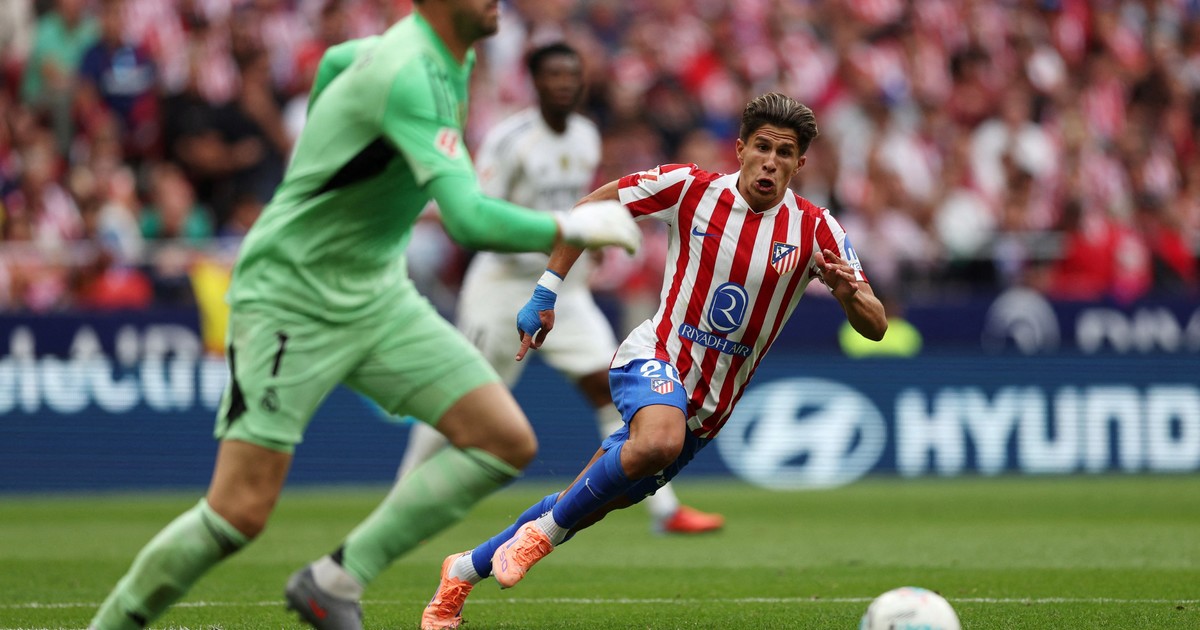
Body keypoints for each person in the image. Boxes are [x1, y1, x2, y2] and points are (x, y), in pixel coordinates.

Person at [87, 1, 642, 629]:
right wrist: (572, 225)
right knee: (238, 511)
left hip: (377, 292)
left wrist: (322, 154)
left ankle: (334, 581)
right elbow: (466, 219)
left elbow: (334, 62)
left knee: (502, 441)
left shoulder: (444, 58)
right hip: (292, 296)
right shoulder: (410, 72)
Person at [420, 92, 889, 630]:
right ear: (740, 149)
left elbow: (876, 325)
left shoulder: (817, 230)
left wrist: (849, 294)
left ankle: (462, 571)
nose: (771, 162)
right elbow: (592, 208)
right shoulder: (689, 188)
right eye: (762, 147)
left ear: (800, 163)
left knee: (589, 502)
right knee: (654, 444)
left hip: (708, 410)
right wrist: (547, 290)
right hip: (654, 357)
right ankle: (541, 537)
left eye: (784, 153)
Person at [396, 41, 723, 535]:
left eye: (572, 75)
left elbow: (581, 208)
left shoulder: (586, 136)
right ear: (535, 82)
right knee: (461, 399)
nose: (564, 83)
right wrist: (558, 234)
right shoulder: (510, 140)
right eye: (554, 75)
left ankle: (664, 510)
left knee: (610, 388)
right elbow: (479, 219)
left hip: (565, 291)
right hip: (503, 288)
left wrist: (586, 245)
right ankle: (402, 494)